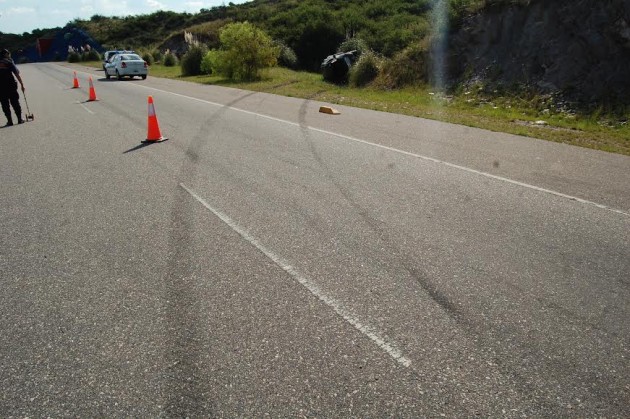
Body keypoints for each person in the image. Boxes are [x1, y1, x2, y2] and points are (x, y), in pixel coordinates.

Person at [0, 48, 26, 127]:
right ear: (6, 54)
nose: (9, 55)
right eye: (8, 53)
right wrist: (22, 84)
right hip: (11, 85)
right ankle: (19, 119)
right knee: (15, 102)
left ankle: (10, 121)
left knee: (5, 105)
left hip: (1, 88)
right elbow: (16, 73)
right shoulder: (9, 61)